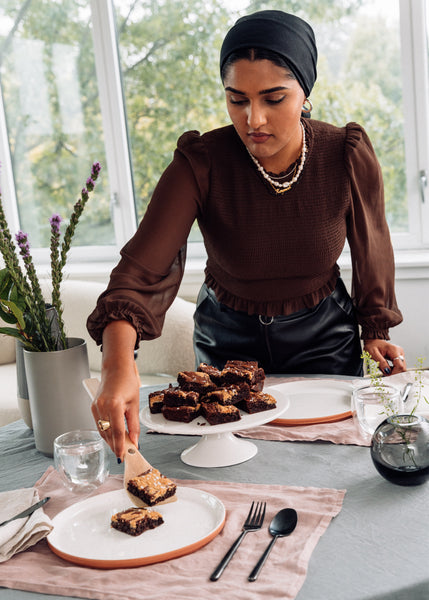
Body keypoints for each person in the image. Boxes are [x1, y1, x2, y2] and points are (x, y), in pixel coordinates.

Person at [87, 10, 406, 458]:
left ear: (305, 93)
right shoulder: (200, 162)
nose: (253, 119)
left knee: (327, 460)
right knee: (230, 466)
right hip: (225, 347)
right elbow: (142, 271)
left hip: (324, 345)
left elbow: (372, 244)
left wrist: (374, 329)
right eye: (237, 99)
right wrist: (116, 365)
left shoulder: (345, 154)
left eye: (274, 98)